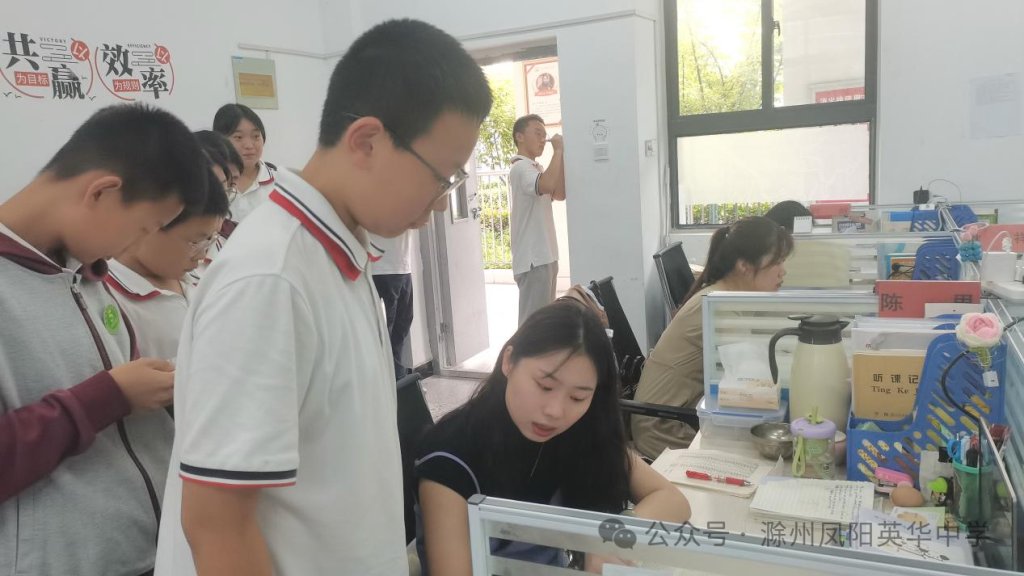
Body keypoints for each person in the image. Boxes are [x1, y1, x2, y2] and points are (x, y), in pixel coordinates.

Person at [154, 19, 492, 576]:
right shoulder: (271, 279)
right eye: (442, 178)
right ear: (367, 141)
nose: (439, 202)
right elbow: (217, 526)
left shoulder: (336, 255)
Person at [0, 104, 208, 576]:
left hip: (155, 551)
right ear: (101, 192)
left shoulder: (85, 276)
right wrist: (106, 397)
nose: (132, 247)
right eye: (143, 228)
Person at [415, 300, 691, 575]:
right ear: (509, 361)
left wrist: (612, 537)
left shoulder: (581, 429)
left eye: (577, 397)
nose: (555, 412)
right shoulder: (450, 455)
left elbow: (672, 499)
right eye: (545, 386)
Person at [631, 217, 793, 460]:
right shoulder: (719, 307)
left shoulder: (726, 297)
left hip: (682, 414)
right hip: (666, 427)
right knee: (767, 455)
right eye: (776, 262)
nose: (783, 271)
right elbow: (752, 376)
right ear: (744, 265)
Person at [107, 144, 231, 359]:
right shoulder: (110, 299)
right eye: (195, 241)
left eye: (210, 241)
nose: (202, 255)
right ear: (150, 225)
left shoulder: (194, 279)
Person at [509, 114, 565, 326]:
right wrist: (557, 151)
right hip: (533, 259)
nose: (543, 139)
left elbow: (559, 193)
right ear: (520, 137)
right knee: (532, 326)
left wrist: (561, 155)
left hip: (545, 256)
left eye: (545, 135)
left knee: (544, 325)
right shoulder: (521, 167)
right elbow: (548, 185)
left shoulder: (535, 168)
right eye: (538, 133)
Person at [213, 103, 276, 222]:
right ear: (219, 140)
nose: (249, 145)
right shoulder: (210, 184)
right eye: (238, 137)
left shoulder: (280, 184)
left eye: (256, 136)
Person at [370, 230, 416, 380]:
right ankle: (393, 376)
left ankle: (396, 373)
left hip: (403, 265)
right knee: (385, 329)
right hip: (380, 268)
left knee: (404, 322)